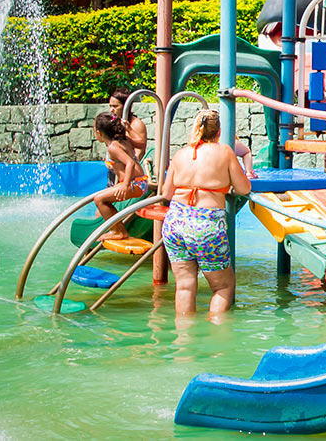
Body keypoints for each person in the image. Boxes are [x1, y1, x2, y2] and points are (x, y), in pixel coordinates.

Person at [161, 110, 251, 316]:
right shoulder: (225, 152)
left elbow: (166, 193)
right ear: (219, 132)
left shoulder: (181, 153)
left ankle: (184, 333)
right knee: (223, 287)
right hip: (205, 224)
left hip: (175, 222)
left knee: (184, 286)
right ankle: (217, 335)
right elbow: (243, 188)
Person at [92, 112, 148, 241]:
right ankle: (119, 229)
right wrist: (129, 130)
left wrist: (125, 185)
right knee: (102, 199)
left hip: (135, 184)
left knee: (99, 200)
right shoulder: (123, 140)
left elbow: (130, 163)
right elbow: (142, 144)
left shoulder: (113, 147)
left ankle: (118, 231)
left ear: (99, 132)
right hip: (139, 182)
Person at [109, 88, 148, 162]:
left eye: (115, 106)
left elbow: (140, 151)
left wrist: (131, 165)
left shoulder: (136, 124)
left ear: (126, 107)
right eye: (110, 106)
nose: (111, 110)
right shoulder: (113, 122)